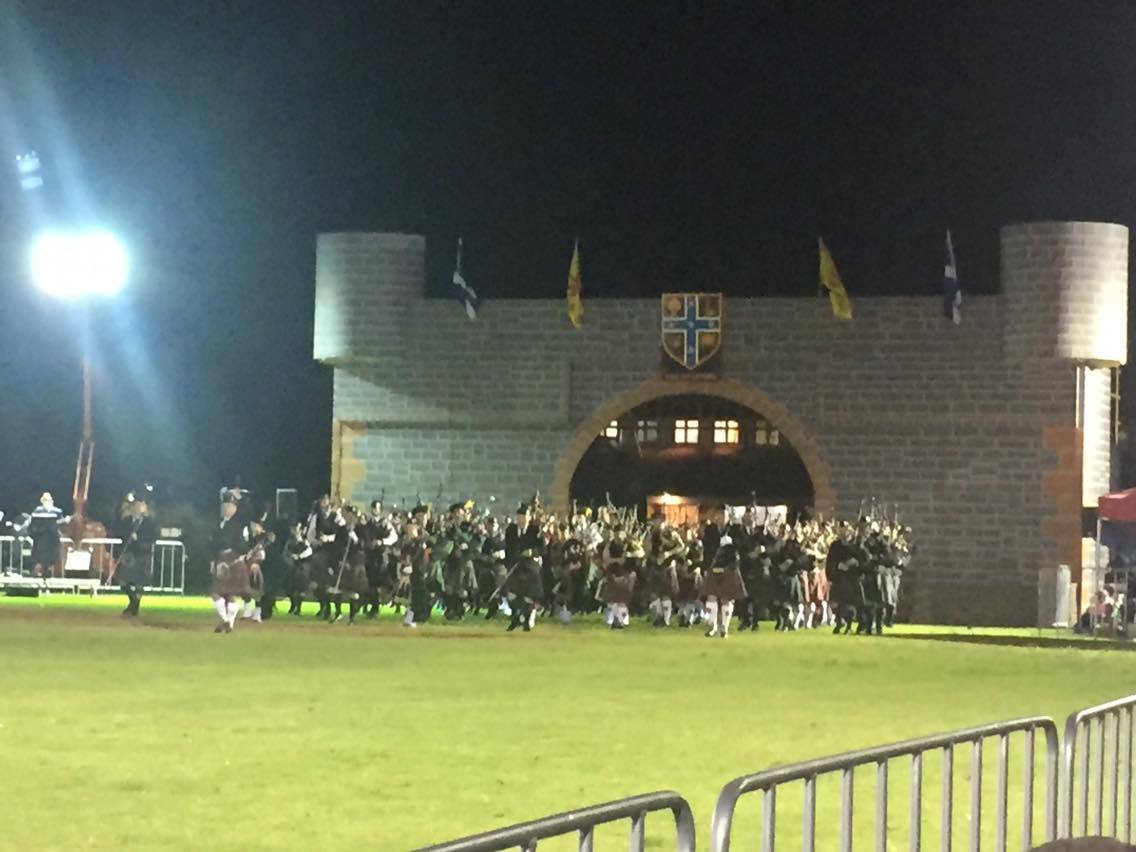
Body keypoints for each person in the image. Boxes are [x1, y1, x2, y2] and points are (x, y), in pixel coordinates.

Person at [209, 492, 249, 633]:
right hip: (220, 560)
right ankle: (226, 621)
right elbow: (212, 545)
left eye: (229, 506)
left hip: (233, 561)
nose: (226, 508)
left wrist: (240, 553)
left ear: (235, 509)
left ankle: (228, 623)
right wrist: (213, 561)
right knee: (216, 593)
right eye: (224, 505)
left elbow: (243, 546)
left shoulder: (239, 526)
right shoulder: (217, 524)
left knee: (230, 594)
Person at [115, 495, 157, 617]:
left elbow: (153, 537)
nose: (137, 508)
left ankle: (134, 608)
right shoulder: (127, 520)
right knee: (122, 581)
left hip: (143, 554)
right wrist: (128, 536)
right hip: (129, 555)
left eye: (140, 506)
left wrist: (139, 539)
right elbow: (119, 533)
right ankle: (133, 602)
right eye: (135, 506)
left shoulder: (148, 522)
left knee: (139, 583)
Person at [25, 492, 64, 577]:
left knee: (51, 559)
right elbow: (32, 525)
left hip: (52, 539)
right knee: (40, 559)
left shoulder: (57, 511)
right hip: (41, 539)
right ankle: (36, 574)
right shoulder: (38, 511)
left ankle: (48, 574)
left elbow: (61, 524)